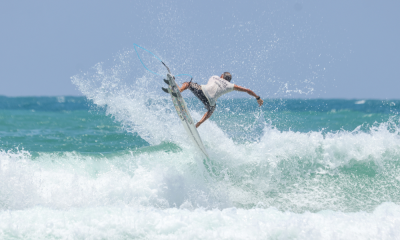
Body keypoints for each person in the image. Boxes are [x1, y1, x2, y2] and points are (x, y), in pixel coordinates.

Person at [178, 72, 264, 128]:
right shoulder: (231, 85)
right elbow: (247, 90)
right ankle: (198, 124)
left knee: (188, 83)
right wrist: (258, 98)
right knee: (211, 110)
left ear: (221, 76)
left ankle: (179, 90)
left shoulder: (214, 77)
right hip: (210, 101)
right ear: (229, 80)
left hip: (202, 91)